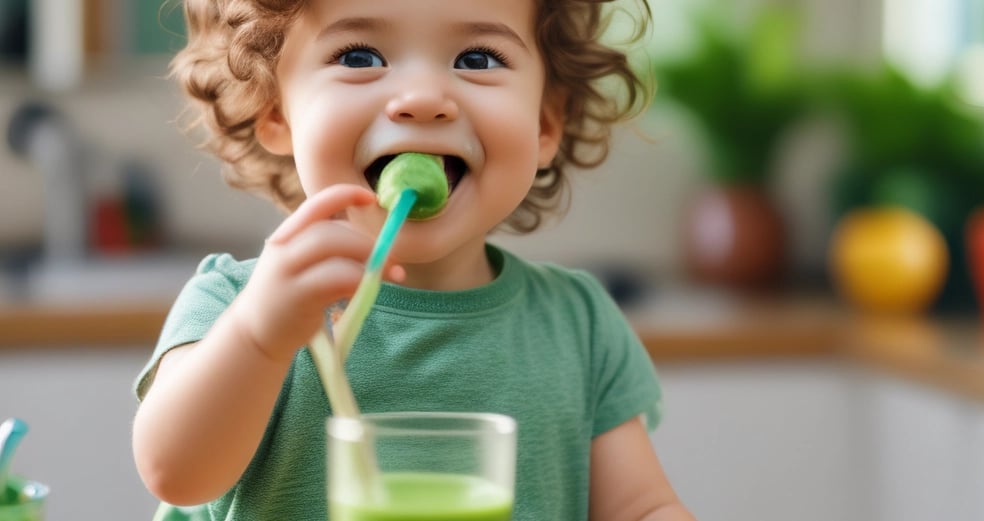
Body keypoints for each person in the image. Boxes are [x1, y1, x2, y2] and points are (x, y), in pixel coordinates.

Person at [132, 0, 696, 519]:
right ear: (275, 110)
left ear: (546, 120)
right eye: (359, 56)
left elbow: (641, 509)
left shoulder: (580, 325)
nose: (424, 98)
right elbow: (175, 474)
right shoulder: (232, 306)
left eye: (478, 57)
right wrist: (259, 336)